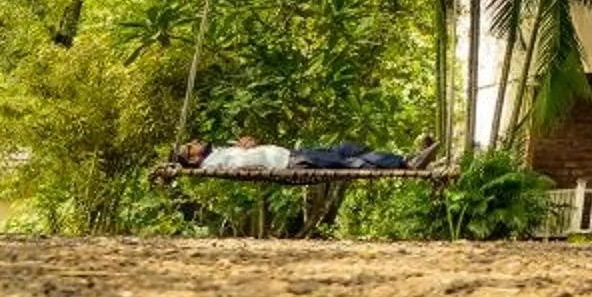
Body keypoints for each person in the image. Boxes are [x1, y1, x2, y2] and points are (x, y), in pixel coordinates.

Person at [173, 134, 437, 172]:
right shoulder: (210, 164)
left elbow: (246, 154)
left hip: (291, 153)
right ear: (193, 158)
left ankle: (401, 160)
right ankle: (406, 163)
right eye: (190, 146)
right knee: (348, 161)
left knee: (346, 148)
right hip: (291, 162)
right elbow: (242, 164)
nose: (195, 142)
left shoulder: (218, 153)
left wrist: (248, 144)